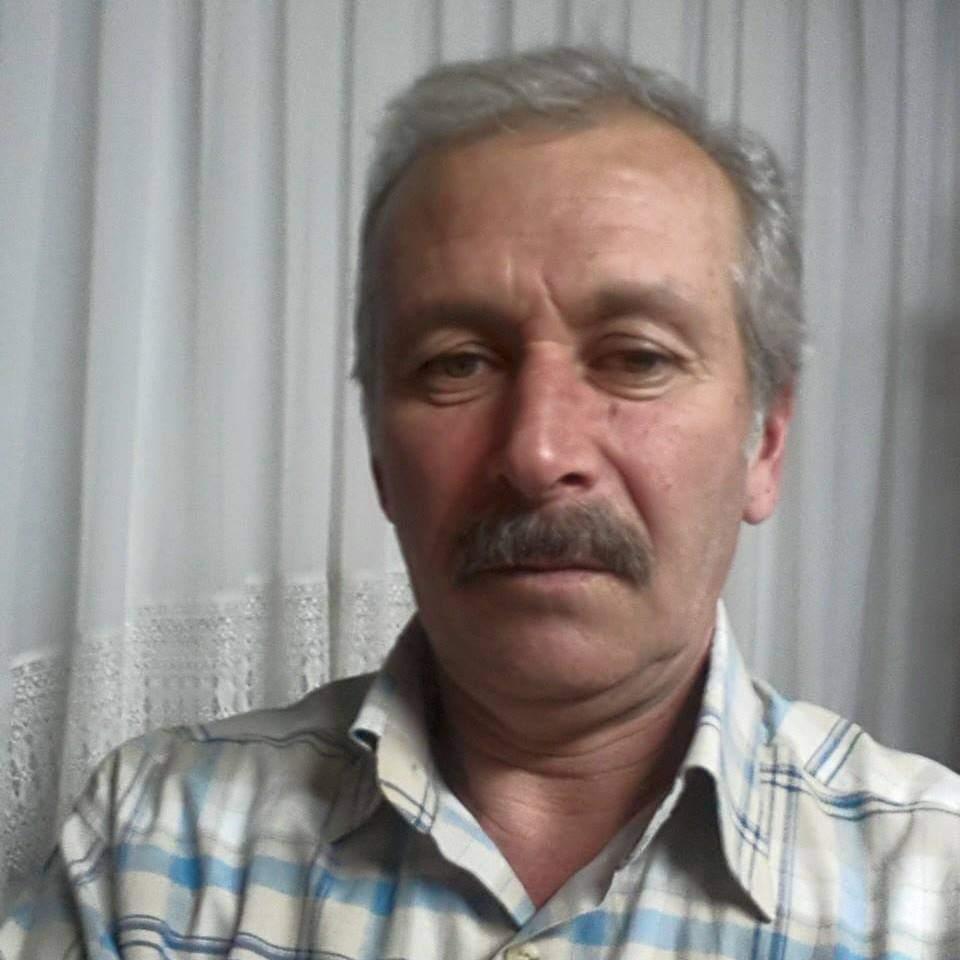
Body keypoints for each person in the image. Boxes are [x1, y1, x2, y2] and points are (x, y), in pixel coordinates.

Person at [2, 45, 958, 960]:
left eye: (637, 357)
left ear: (768, 443)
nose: (538, 454)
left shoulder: (935, 891)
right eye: (456, 364)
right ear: (379, 454)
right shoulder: (149, 845)